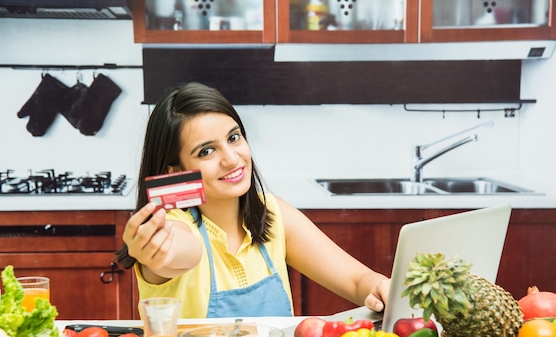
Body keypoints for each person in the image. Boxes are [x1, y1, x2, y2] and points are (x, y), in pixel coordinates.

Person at [116, 82, 391, 318]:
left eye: (234, 138)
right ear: (176, 172)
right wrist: (158, 248)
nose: (232, 158)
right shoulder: (177, 226)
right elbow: (179, 251)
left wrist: (381, 286)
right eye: (207, 151)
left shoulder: (273, 213)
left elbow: (356, 280)